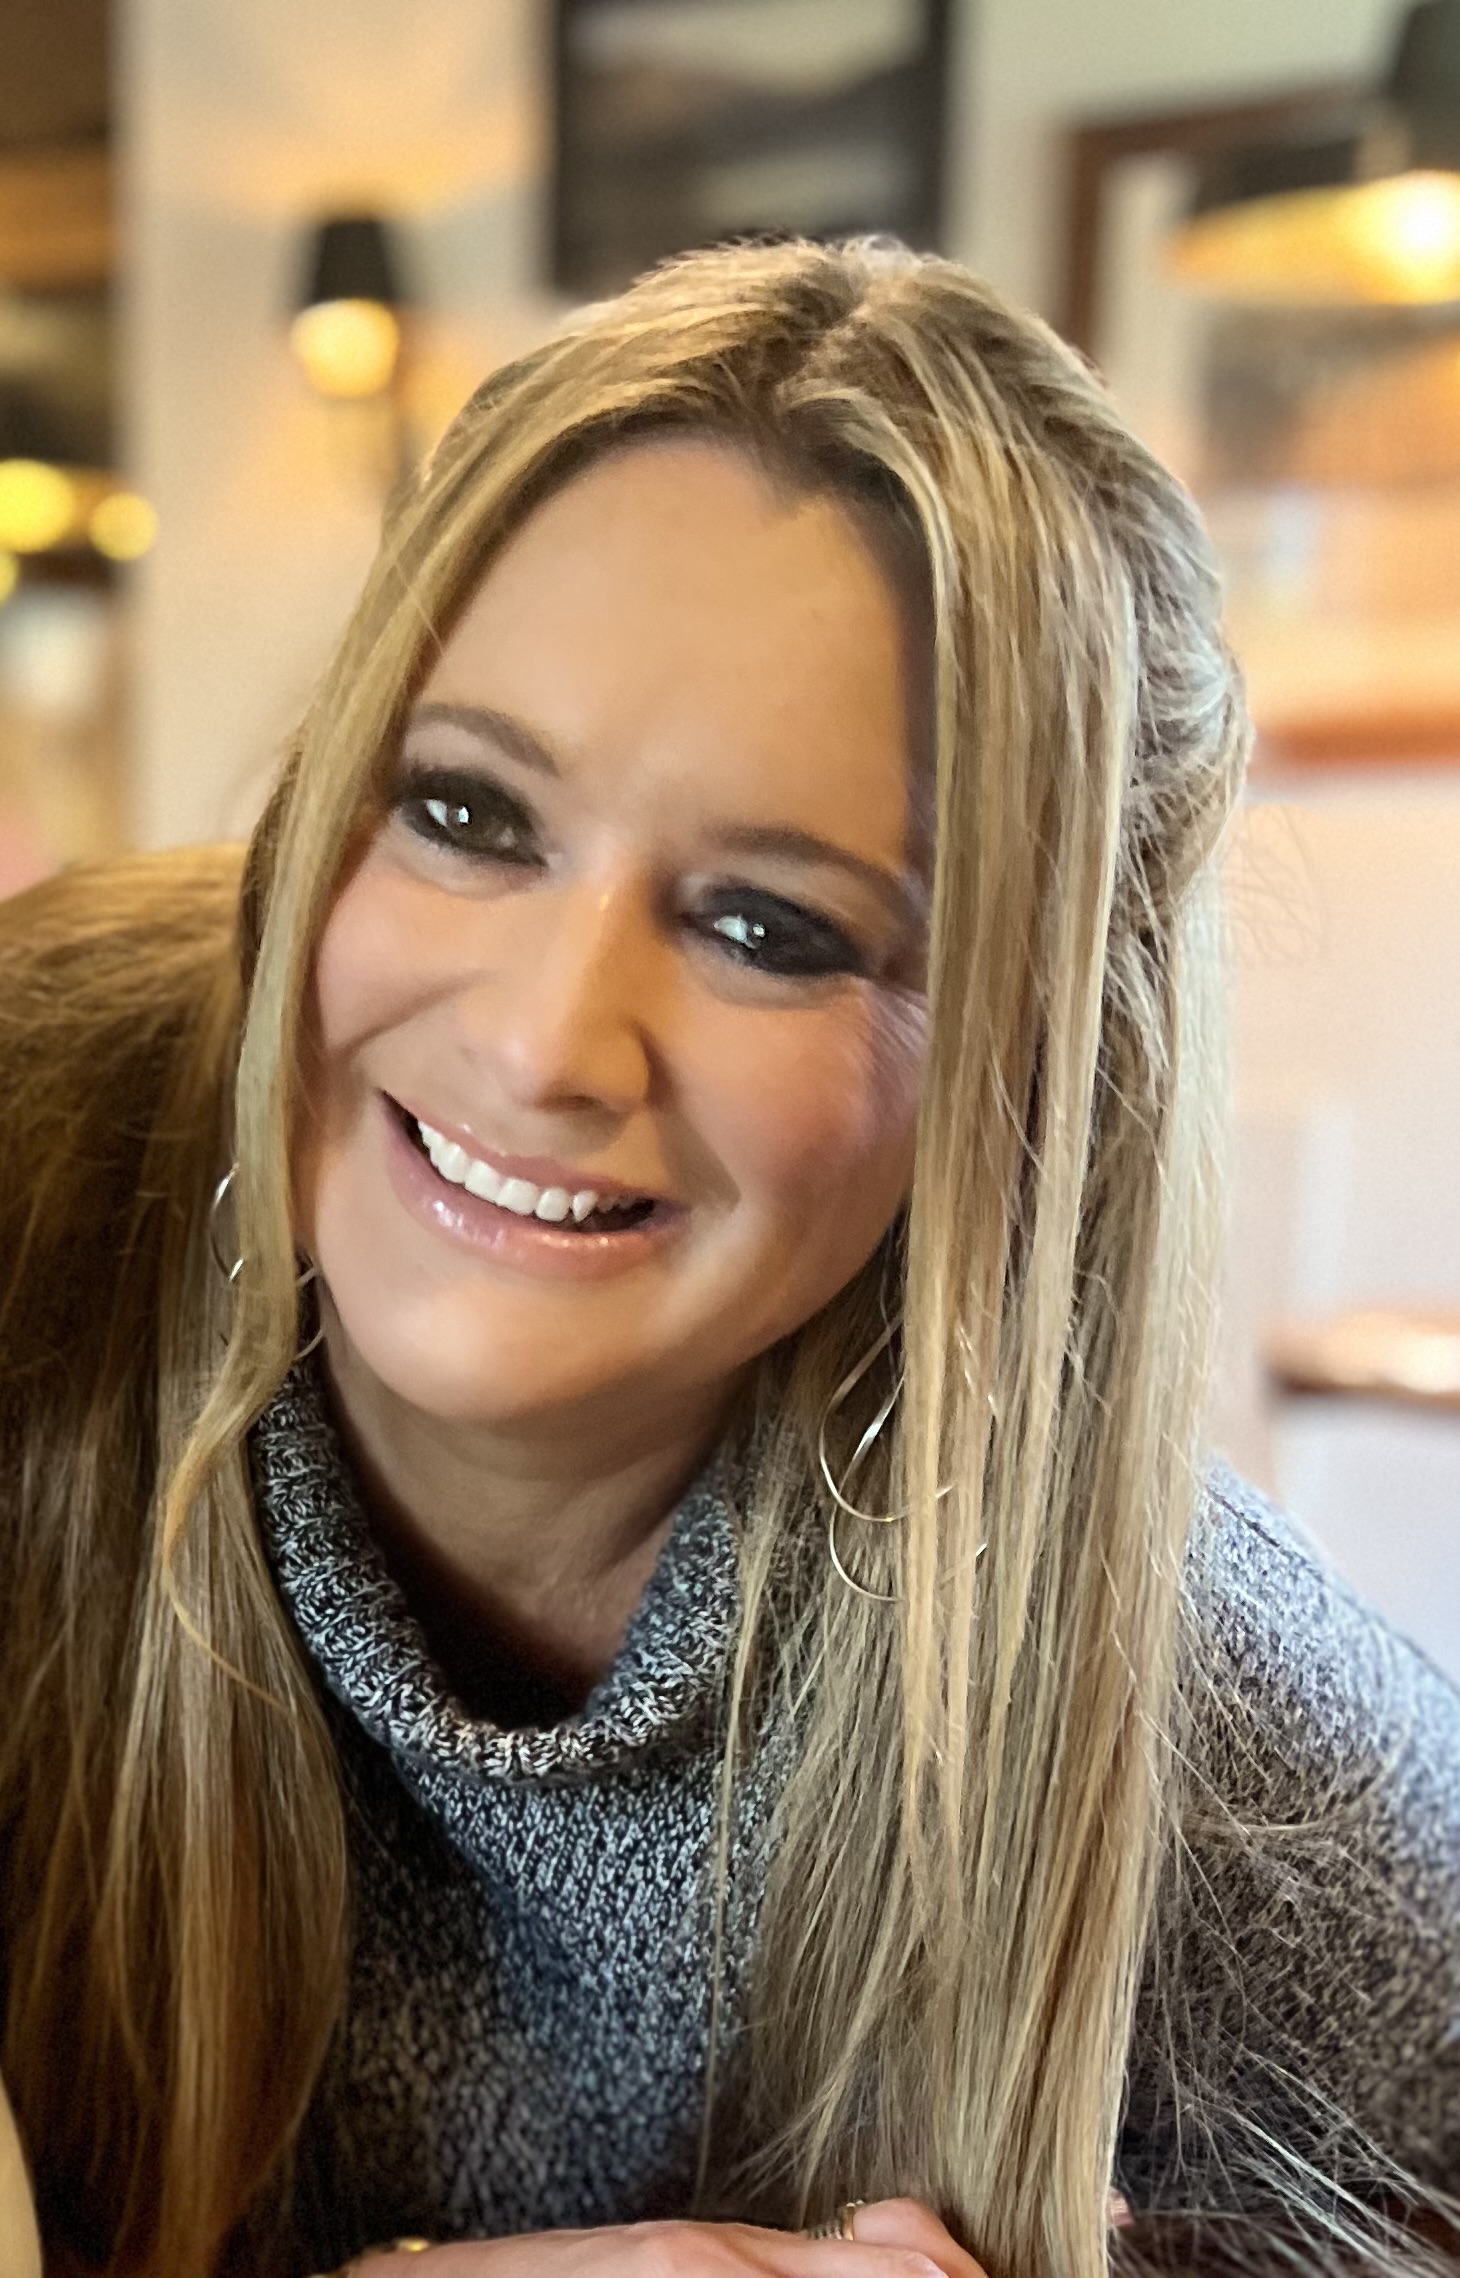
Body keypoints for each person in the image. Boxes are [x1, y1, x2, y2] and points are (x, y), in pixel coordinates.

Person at [0, 237, 1455, 2278]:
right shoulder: (34, 1192)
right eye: (467, 812)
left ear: (1026, 1083)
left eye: (770, 927)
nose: (542, 1041)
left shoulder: (1217, 1744)